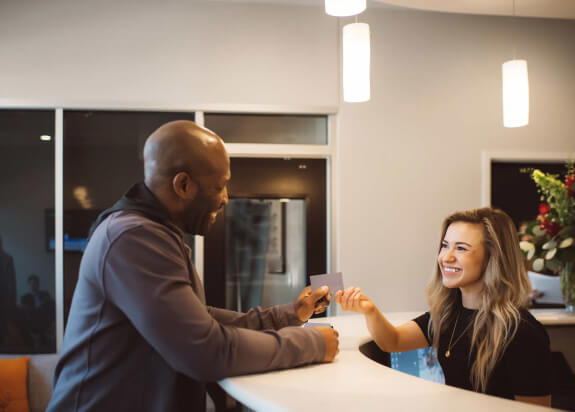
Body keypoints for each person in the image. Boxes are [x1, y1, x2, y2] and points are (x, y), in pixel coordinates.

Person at [47, 120, 339, 412]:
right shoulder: (134, 237)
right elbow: (205, 351)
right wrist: (312, 342)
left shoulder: (155, 232)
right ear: (183, 185)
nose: (226, 198)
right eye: (220, 185)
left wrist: (287, 315)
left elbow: (197, 320)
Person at [335, 207, 552, 407]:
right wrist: (369, 310)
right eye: (445, 246)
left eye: (461, 248)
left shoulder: (521, 332)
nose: (446, 257)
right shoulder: (449, 315)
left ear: (492, 258)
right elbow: (393, 341)